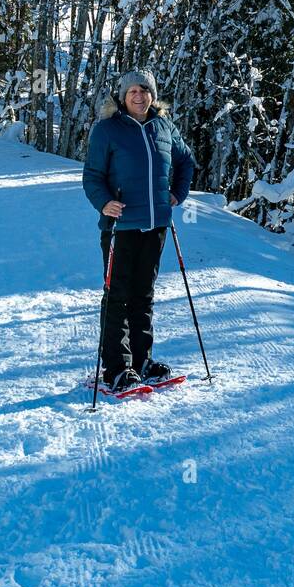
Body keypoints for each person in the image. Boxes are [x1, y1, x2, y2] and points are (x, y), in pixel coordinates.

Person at [82, 68, 195, 392]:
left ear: (152, 95)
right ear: (123, 95)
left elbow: (185, 161)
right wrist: (104, 202)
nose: (139, 96)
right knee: (117, 297)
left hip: (156, 224)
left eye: (145, 90)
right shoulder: (107, 130)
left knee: (143, 296)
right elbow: (92, 175)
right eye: (133, 90)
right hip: (121, 227)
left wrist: (177, 193)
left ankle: (142, 360)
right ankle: (117, 368)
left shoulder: (163, 127)